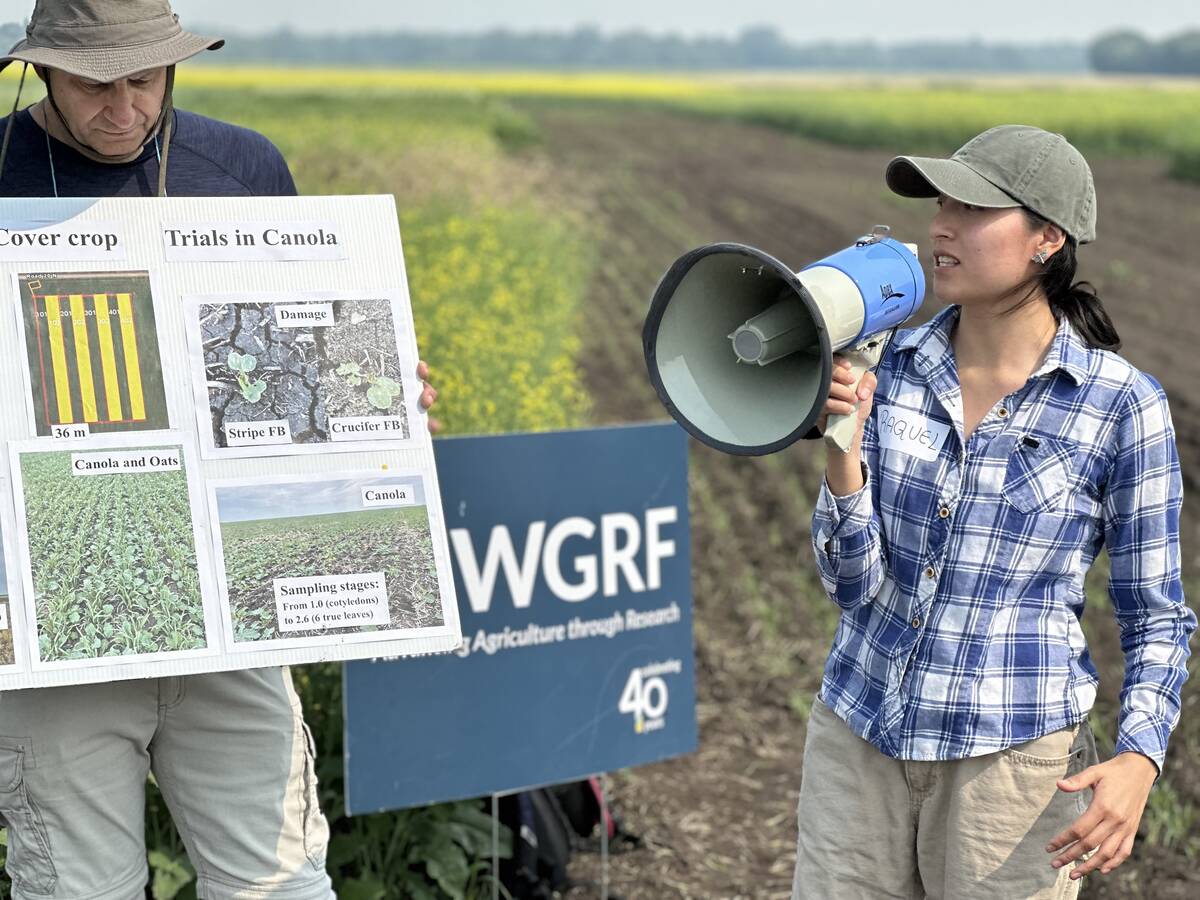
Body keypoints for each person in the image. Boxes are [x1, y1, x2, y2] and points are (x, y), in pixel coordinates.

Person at [0, 2, 438, 897]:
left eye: (144, 80)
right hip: (55, 631)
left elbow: (303, 359)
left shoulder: (244, 167)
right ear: (42, 71)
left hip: (231, 629)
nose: (123, 108)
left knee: (279, 884)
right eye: (93, 85)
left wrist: (374, 396)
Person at [791, 125, 1196, 899]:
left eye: (974, 208)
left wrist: (1141, 757)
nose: (942, 225)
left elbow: (1155, 613)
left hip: (1009, 777)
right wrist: (843, 452)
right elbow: (850, 589)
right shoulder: (891, 367)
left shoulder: (1120, 406)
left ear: (1047, 238)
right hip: (857, 745)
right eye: (942, 203)